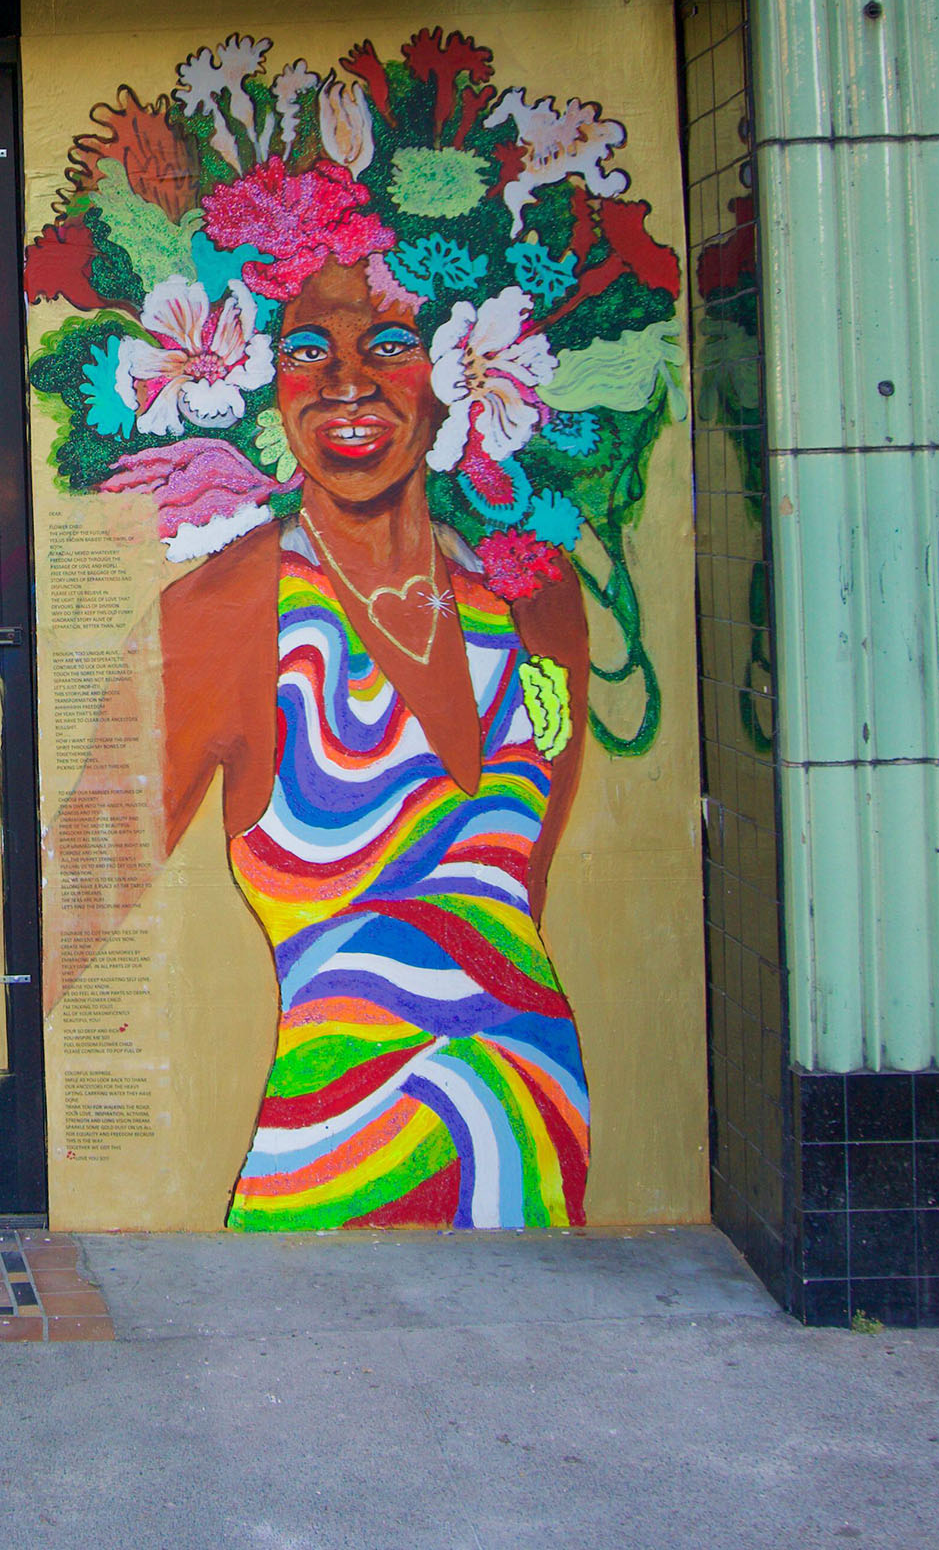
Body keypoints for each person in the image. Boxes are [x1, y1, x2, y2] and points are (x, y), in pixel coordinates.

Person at [65, 254, 595, 1230]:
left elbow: (514, 909)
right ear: (269, 378)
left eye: (387, 343)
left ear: (452, 368)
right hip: (330, 1174)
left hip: (542, 1151)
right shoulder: (224, 615)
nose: (347, 380)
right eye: (310, 348)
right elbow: (74, 906)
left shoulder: (538, 599)